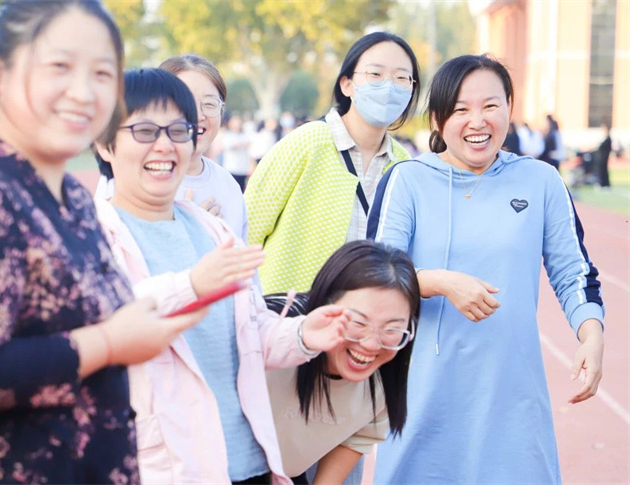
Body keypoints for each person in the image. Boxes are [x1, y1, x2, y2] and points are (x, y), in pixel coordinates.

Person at [0, 2, 207, 483]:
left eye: (102, 73)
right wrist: (110, 342)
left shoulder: (71, 197)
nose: (84, 92)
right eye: (59, 66)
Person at [92, 68, 349, 484]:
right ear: (105, 144)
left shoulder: (213, 229)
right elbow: (105, 327)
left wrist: (304, 334)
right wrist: (190, 286)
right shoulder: (91, 235)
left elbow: (250, 334)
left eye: (178, 130)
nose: (165, 145)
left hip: (248, 461)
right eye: (144, 131)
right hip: (165, 470)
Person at [367, 54, 605, 484]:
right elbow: (372, 277)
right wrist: (438, 282)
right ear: (437, 119)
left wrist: (591, 333)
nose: (477, 121)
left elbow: (574, 271)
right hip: (423, 395)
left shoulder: (541, 181)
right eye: (460, 109)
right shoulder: (407, 180)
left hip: (511, 396)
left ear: (509, 108)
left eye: (490, 105)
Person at [245, 31, 420, 295]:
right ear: (347, 84)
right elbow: (248, 228)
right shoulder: (308, 142)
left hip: (365, 313)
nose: (389, 86)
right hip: (289, 312)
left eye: (401, 78)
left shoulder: (403, 164)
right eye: (375, 74)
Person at [264, 241, 419, 484]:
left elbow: (357, 438)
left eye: (392, 328)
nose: (371, 344)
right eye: (358, 322)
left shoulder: (386, 373)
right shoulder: (270, 331)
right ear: (324, 304)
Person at [96, 54, 249, 242]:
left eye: (210, 104)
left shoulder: (228, 185)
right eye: (185, 102)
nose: (197, 115)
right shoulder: (125, 178)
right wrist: (188, 232)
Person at [221, 114, 252, 191]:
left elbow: (250, 149)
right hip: (231, 169)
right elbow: (227, 146)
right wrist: (240, 144)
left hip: (243, 169)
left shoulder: (244, 135)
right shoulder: (228, 135)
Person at [596, 120, 612, 190]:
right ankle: (602, 184)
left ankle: (605, 184)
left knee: (604, 171)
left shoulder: (608, 139)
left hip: (604, 158)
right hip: (601, 157)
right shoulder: (604, 138)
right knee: (601, 171)